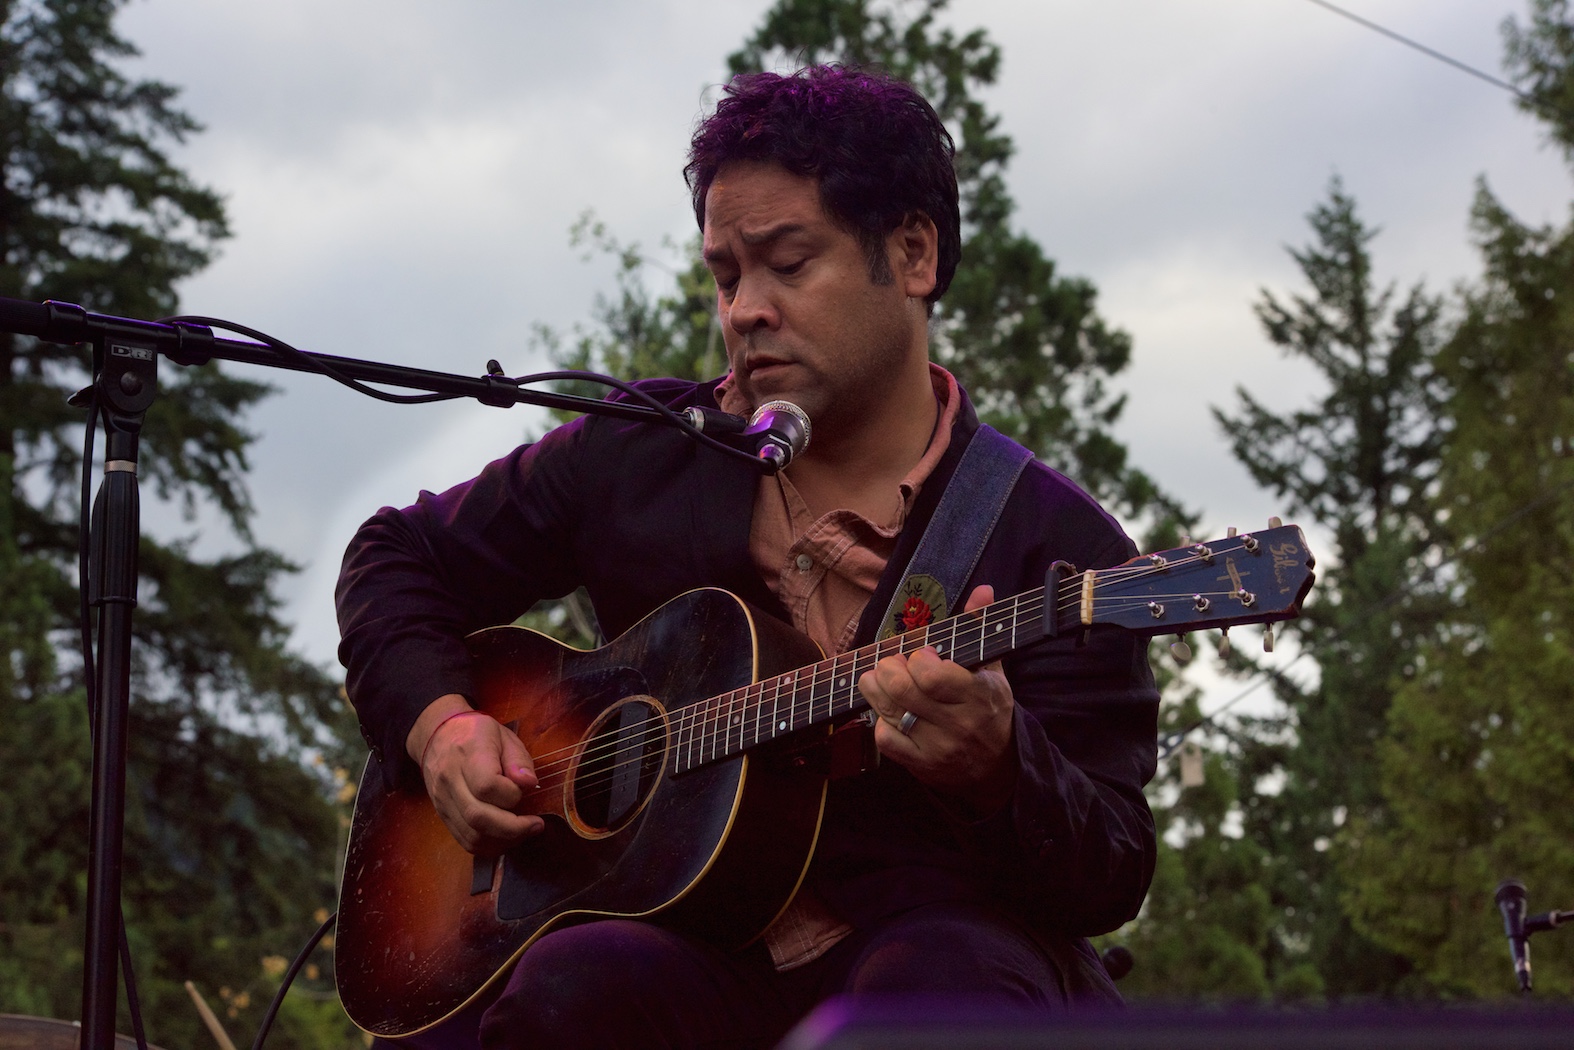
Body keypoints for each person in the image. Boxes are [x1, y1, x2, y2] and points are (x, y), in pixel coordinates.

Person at [336, 65, 1158, 1049]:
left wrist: (998, 770)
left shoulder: (1055, 546)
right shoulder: (645, 452)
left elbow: (1109, 866)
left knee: (940, 992)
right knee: (571, 987)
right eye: (726, 275)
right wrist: (442, 731)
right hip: (680, 953)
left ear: (910, 253)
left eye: (786, 264)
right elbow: (395, 557)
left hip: (918, 953)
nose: (743, 310)